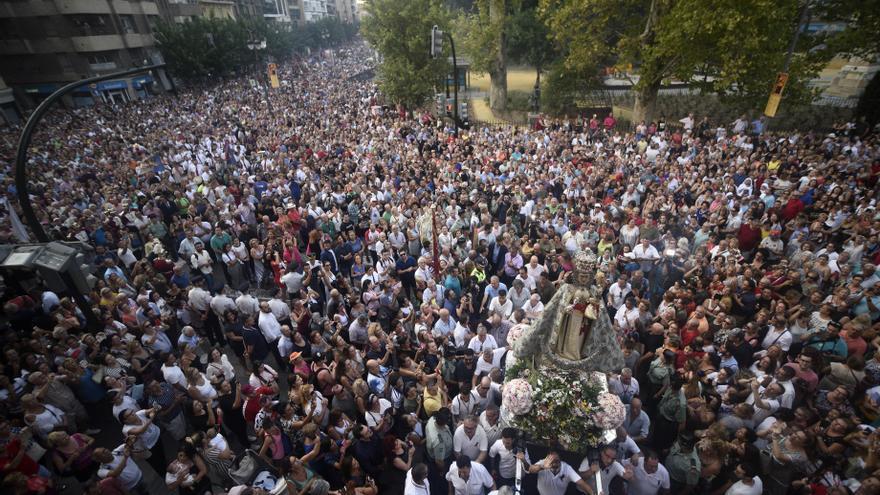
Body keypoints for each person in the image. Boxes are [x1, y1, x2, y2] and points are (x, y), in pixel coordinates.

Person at [527, 450, 594, 495]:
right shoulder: (543, 463)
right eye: (551, 460)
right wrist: (543, 467)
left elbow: (582, 484)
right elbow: (530, 469)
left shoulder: (567, 469)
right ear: (547, 459)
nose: (554, 463)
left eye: (556, 460)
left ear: (560, 460)